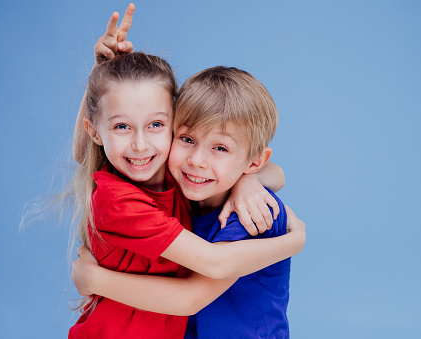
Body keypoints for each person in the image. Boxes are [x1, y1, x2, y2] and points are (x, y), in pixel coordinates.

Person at [68, 5, 306, 339]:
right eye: (188, 139)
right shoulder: (165, 179)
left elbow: (201, 285)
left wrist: (292, 234)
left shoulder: (251, 213)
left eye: (219, 148)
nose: (196, 160)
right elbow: (86, 150)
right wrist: (102, 72)